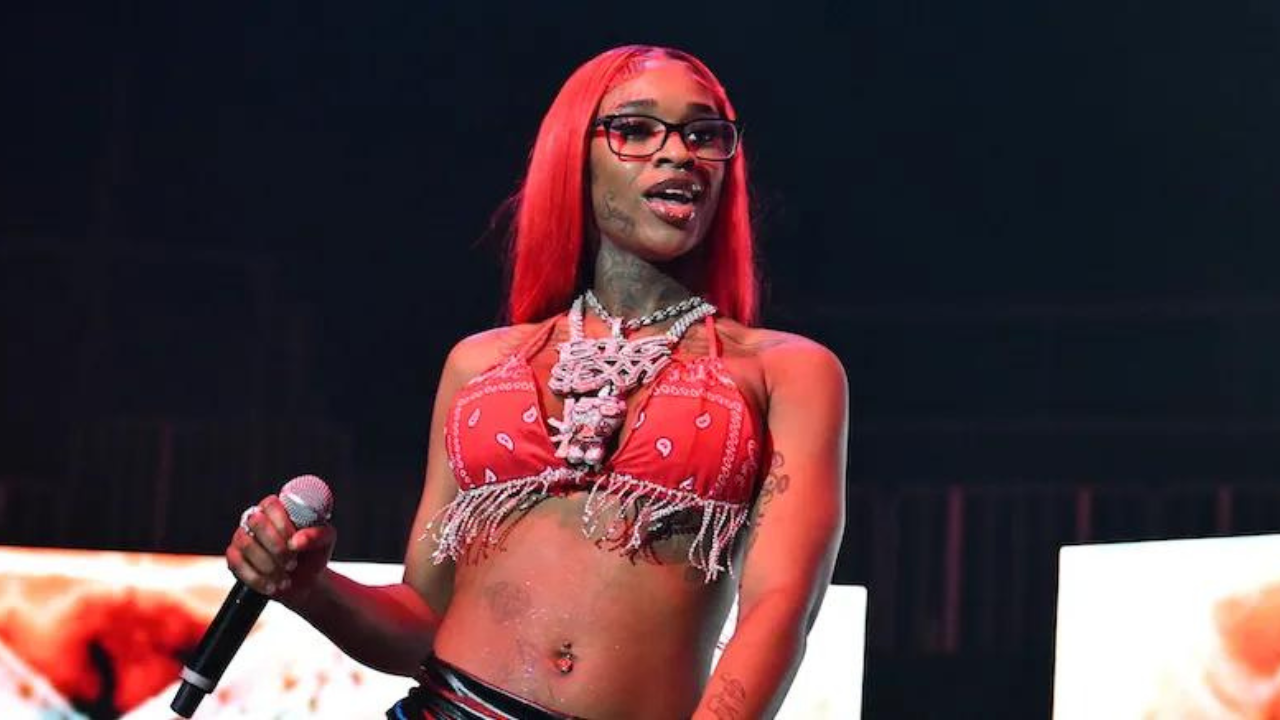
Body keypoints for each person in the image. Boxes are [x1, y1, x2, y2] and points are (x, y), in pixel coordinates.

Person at [227, 44, 848, 719]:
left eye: (703, 134)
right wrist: (311, 588)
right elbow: (422, 622)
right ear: (574, 156)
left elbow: (779, 608)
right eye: (636, 129)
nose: (678, 154)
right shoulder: (480, 364)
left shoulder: (788, 372)